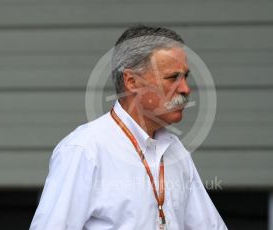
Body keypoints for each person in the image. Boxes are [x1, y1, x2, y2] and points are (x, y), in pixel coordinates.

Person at [30, 25, 227, 230]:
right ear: (132, 82)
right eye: (172, 78)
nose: (185, 89)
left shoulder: (175, 150)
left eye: (185, 77)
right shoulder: (85, 150)